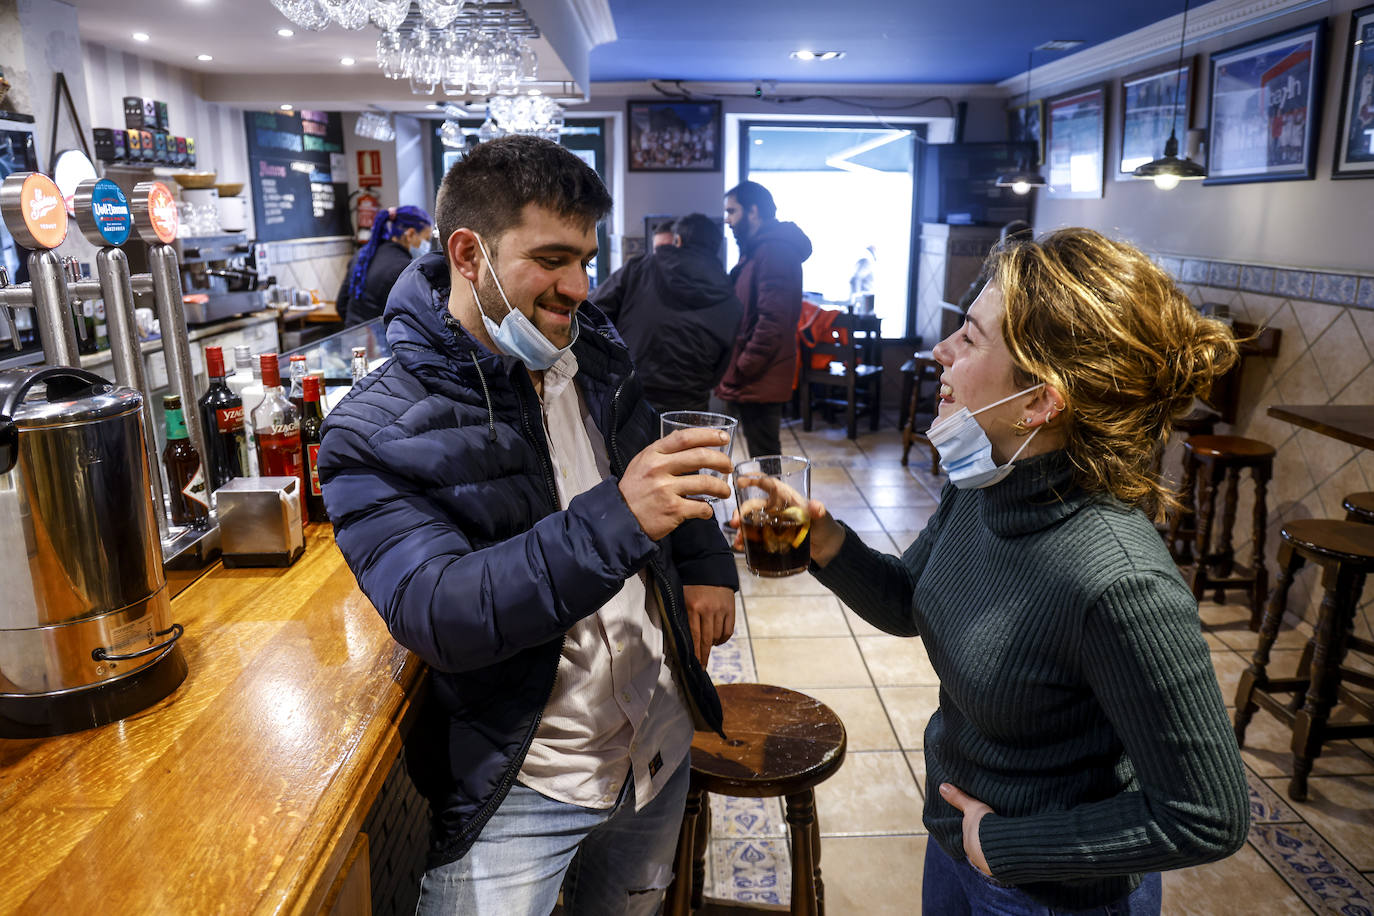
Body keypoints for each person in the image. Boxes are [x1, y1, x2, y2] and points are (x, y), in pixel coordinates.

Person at [317, 136, 739, 915]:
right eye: (551, 258)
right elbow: (439, 612)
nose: (579, 286)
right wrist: (618, 516)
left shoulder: (593, 355)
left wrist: (708, 559)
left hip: (654, 743)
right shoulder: (370, 431)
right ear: (469, 254)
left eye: (586, 257)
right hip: (526, 781)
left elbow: (656, 461)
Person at [796, 228, 1250, 913]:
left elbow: (1207, 814)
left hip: (1048, 888)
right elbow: (910, 603)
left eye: (970, 338)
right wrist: (825, 541)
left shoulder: (1119, 583)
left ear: (1040, 401)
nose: (940, 352)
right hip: (958, 840)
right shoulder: (985, 485)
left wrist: (1006, 847)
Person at [591, 213, 743, 413]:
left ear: (677, 240)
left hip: (631, 394)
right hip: (691, 403)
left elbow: (591, 311)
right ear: (717, 246)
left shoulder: (641, 268)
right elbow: (722, 365)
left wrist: (612, 361)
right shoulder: (731, 298)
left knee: (633, 446)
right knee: (684, 445)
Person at [715, 180, 812, 458]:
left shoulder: (775, 251)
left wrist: (744, 366)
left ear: (753, 211)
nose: (728, 220)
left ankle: (778, 504)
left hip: (760, 374)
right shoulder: (762, 249)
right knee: (762, 456)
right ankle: (771, 503)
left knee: (766, 458)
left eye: (732, 211)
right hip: (756, 374)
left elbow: (774, 321)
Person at [335, 204, 433, 326]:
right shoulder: (404, 269)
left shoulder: (362, 255)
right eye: (427, 239)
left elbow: (341, 305)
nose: (427, 245)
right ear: (410, 234)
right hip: (380, 341)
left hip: (353, 338)